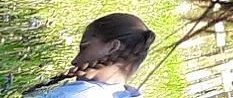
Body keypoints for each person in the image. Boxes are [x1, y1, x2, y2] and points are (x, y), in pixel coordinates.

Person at [23, 13, 156, 97]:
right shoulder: (126, 94)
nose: (74, 61)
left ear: (112, 47)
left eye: (84, 48)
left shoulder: (74, 95)